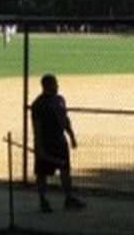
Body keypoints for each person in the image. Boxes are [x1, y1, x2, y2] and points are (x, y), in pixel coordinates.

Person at [31, 74, 85, 213]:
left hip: (60, 142)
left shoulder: (60, 100)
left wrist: (71, 136)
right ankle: (43, 201)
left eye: (56, 84)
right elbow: (37, 128)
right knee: (42, 174)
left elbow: (65, 120)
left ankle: (69, 199)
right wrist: (39, 148)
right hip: (46, 143)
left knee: (65, 171)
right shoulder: (38, 105)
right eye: (54, 84)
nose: (57, 86)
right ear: (46, 86)